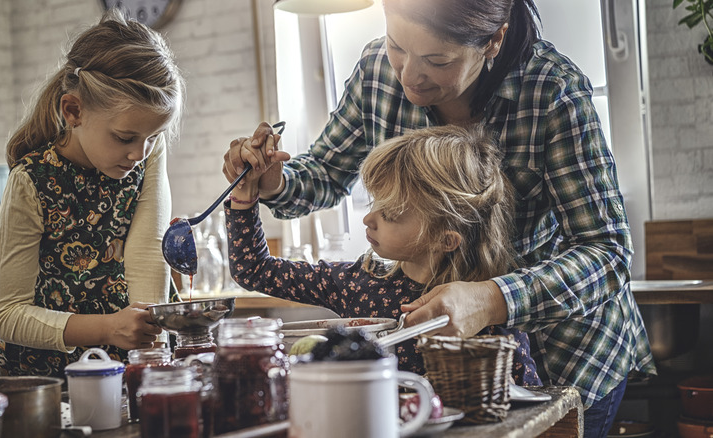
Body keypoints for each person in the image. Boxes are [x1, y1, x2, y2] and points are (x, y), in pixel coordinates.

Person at [224, 0, 656, 435]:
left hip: (568, 355)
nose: (408, 76)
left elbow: (607, 252)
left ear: (493, 41)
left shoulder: (551, 91)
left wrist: (491, 299)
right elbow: (322, 174)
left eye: (437, 60)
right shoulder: (376, 71)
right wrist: (272, 182)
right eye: (397, 46)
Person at [226, 124, 541, 386]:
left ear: (445, 239)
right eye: (374, 203)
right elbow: (252, 269)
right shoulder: (358, 283)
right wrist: (245, 195)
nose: (368, 218)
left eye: (390, 213)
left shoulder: (486, 311)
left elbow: (528, 405)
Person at [0, 10, 184, 378]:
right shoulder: (31, 181)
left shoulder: (143, 153)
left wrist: (149, 358)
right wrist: (108, 327)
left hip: (132, 369)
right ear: (73, 110)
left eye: (153, 137)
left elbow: (146, 259)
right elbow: (6, 315)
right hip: (51, 382)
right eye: (125, 138)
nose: (139, 154)